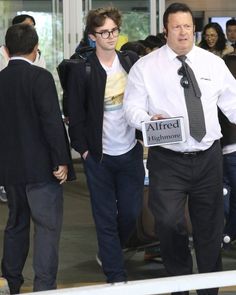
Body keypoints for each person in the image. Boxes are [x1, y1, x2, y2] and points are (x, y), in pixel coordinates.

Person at [124, 2, 236, 295]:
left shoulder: (213, 64)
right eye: (177, 26)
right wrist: (148, 118)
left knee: (209, 229)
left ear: (194, 29)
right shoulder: (146, 67)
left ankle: (208, 289)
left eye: (188, 26)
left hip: (209, 157)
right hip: (168, 159)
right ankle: (179, 286)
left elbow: (233, 104)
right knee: (169, 224)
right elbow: (131, 108)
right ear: (166, 30)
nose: (183, 32)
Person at [67, 7, 144, 283]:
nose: (110, 36)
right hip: (98, 157)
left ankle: (110, 250)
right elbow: (74, 114)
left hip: (129, 153)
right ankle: (115, 275)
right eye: (103, 32)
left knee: (131, 212)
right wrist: (84, 150)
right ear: (92, 36)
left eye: (114, 30)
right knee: (104, 217)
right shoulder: (82, 69)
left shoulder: (131, 61)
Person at [0, 23, 75, 294]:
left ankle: (10, 282)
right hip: (42, 170)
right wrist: (62, 161)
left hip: (10, 171)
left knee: (15, 225)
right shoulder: (40, 77)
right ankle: (44, 287)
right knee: (46, 228)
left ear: (6, 51)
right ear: (35, 49)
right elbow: (52, 123)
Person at [219, 48, 236, 248]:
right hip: (228, 146)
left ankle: (227, 233)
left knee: (226, 191)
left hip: (226, 146)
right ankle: (228, 233)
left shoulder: (224, 66)